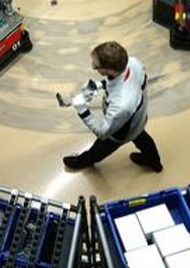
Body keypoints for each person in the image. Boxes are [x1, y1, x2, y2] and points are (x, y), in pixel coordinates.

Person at [63, 41, 163, 172]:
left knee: (102, 146)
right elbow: (123, 80)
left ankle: (84, 161)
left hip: (123, 130)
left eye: (96, 66)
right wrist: (99, 85)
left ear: (110, 70)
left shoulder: (121, 105)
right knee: (142, 138)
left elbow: (102, 132)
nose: (93, 66)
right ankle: (155, 164)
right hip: (139, 116)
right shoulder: (132, 62)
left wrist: (82, 110)